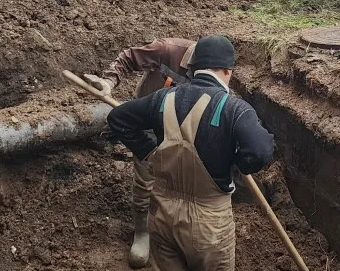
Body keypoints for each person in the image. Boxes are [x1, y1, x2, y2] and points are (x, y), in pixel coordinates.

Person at [107, 35, 274, 271]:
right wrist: (236, 165)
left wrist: (150, 152)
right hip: (208, 224)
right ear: (229, 71)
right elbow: (261, 150)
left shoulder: (162, 98)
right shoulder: (234, 109)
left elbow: (118, 118)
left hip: (162, 214)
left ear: (193, 68)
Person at [89, 38, 196, 268]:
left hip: (182, 124)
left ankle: (173, 227)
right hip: (148, 116)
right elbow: (129, 57)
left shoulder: (214, 69)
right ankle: (142, 231)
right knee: (147, 175)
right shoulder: (167, 50)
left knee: (182, 177)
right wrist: (109, 81)